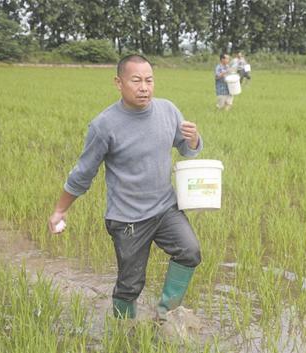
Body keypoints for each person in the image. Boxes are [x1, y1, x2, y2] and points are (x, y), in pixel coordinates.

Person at [48, 54, 203, 321]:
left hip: (166, 208)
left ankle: (165, 315)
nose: (144, 87)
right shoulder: (104, 125)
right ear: (119, 83)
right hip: (127, 218)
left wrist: (194, 139)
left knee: (190, 251)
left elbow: (187, 150)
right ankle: (123, 332)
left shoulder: (168, 110)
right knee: (131, 284)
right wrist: (60, 210)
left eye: (149, 80)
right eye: (136, 81)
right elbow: (82, 174)